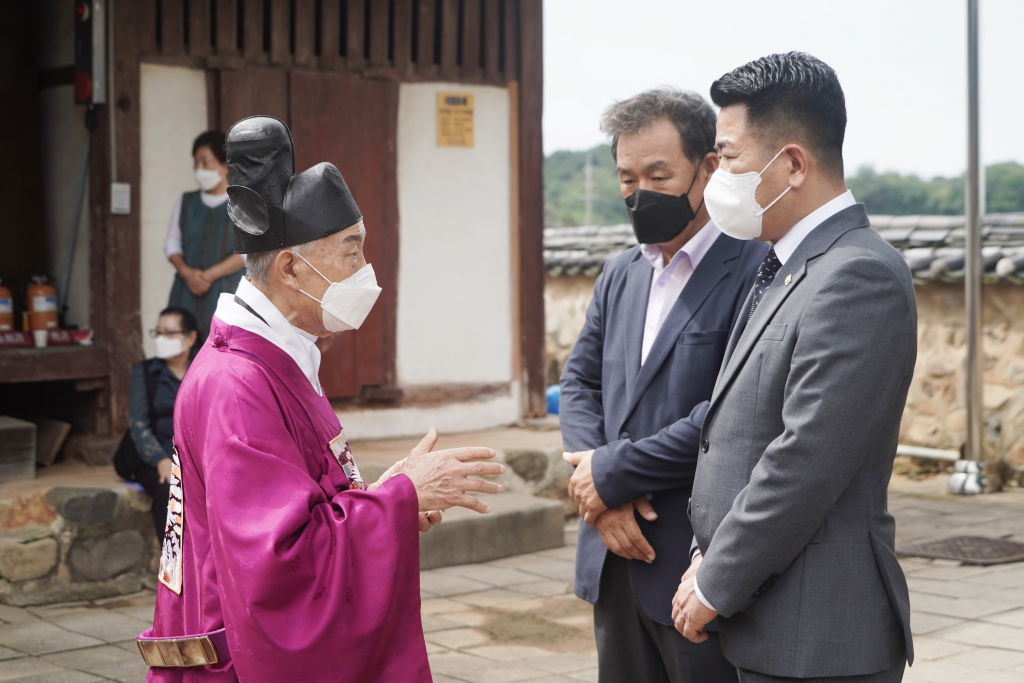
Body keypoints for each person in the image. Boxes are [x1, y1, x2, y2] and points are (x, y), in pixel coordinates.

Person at [139, 116, 505, 682]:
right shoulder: (238, 384)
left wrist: (383, 496)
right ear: (290, 266)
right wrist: (402, 498)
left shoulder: (271, 361)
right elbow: (279, 567)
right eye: (350, 252)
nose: (365, 270)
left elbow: (298, 506)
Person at [671, 53, 916, 683]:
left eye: (726, 158)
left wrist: (716, 579)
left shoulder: (856, 274)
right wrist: (707, 554)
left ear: (792, 165)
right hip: (770, 622)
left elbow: (804, 459)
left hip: (819, 635)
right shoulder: (784, 263)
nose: (714, 177)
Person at [559, 88, 766, 682]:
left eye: (657, 173)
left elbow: (731, 412)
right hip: (610, 552)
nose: (639, 192)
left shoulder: (755, 271)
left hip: (692, 563)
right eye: (627, 177)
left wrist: (611, 475)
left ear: (706, 168)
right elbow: (579, 383)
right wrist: (599, 491)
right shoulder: (620, 272)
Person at [113, 307, 198, 540]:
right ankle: (173, 570)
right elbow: (138, 424)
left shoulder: (203, 369)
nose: (162, 339)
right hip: (151, 455)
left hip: (194, 455)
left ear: (190, 337)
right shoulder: (146, 372)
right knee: (170, 490)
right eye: (158, 333)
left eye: (169, 333)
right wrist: (160, 459)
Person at [165, 131, 246, 344]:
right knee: (181, 350)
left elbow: (247, 252)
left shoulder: (241, 203)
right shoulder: (185, 202)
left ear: (225, 165)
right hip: (185, 293)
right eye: (196, 162)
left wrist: (208, 276)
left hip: (227, 292)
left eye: (205, 162)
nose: (199, 169)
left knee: (224, 351)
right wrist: (186, 272)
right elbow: (172, 244)